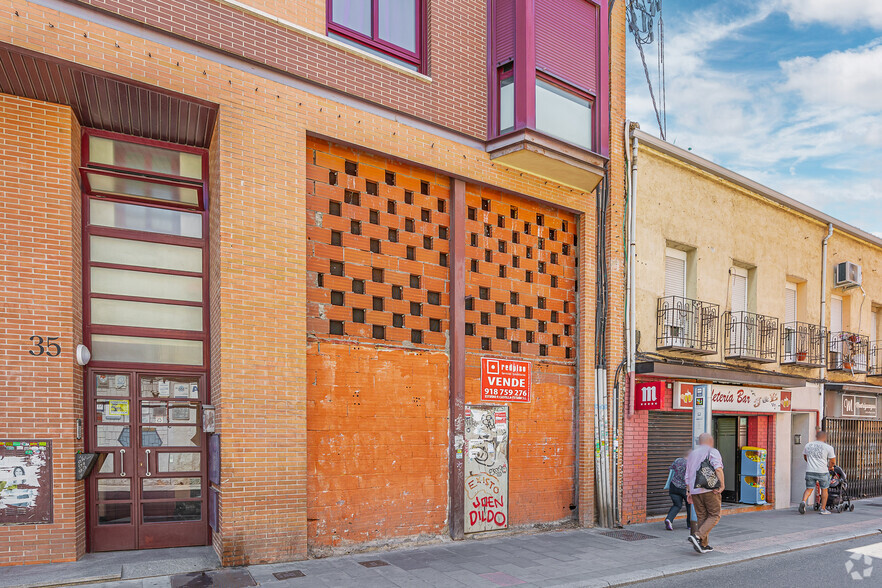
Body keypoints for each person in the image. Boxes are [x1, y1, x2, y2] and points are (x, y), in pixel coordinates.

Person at [685, 433, 724, 554]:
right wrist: (722, 484)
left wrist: (688, 491)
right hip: (710, 489)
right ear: (710, 441)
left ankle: (703, 545)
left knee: (702, 516)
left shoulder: (692, 454)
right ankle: (697, 536)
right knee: (715, 515)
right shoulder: (712, 451)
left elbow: (687, 475)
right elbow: (718, 468)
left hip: (695, 490)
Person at [799, 429, 836, 515]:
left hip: (810, 470)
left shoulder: (808, 445)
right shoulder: (828, 447)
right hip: (822, 471)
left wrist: (810, 463)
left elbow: (805, 456)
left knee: (809, 488)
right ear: (825, 438)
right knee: (824, 490)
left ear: (816, 437)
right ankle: (823, 509)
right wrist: (830, 467)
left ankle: (803, 502)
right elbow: (833, 461)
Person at [664, 451, 691, 531]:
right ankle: (690, 525)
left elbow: (671, 469)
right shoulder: (690, 464)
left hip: (673, 486)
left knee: (677, 505)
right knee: (689, 505)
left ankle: (669, 519)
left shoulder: (677, 460)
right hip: (684, 488)